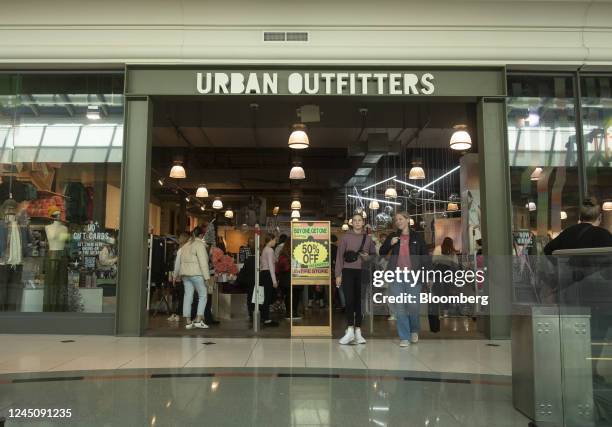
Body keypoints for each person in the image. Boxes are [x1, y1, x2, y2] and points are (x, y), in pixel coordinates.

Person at [379, 211, 429, 347]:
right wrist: (390, 243)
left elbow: (425, 256)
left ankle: (414, 330)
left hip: (413, 275)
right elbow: (381, 252)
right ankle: (404, 337)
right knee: (400, 307)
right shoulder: (392, 236)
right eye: (396, 220)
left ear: (408, 220)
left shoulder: (417, 237)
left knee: (413, 306)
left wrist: (426, 275)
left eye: (401, 219)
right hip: (396, 276)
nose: (398, 222)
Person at [335, 213, 377, 345]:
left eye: (360, 220)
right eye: (355, 221)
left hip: (363, 272)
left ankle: (358, 331)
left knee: (360, 302)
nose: (358, 223)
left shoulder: (368, 239)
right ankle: (349, 330)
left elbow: (374, 255)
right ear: (351, 223)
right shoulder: (345, 237)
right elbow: (339, 257)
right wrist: (338, 274)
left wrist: (367, 257)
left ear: (363, 222)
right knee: (349, 300)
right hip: (347, 271)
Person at [544, 197, 612, 256]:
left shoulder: (567, 233)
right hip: (599, 270)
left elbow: (547, 249)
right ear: (600, 217)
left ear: (579, 216)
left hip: (571, 270)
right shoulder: (604, 234)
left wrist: (560, 266)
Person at [173, 228, 211, 329]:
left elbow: (178, 262)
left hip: (185, 275)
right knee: (203, 295)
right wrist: (207, 277)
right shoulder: (199, 245)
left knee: (187, 296)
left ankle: (188, 322)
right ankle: (198, 319)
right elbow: (203, 262)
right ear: (201, 235)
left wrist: (175, 275)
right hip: (197, 274)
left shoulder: (184, 246)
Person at [260, 233, 279, 327]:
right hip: (268, 275)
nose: (275, 242)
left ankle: (264, 317)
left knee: (265, 297)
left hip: (264, 274)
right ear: (270, 240)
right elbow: (271, 266)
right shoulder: (270, 250)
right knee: (267, 297)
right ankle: (266, 318)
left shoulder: (264, 250)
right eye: (275, 240)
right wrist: (274, 281)